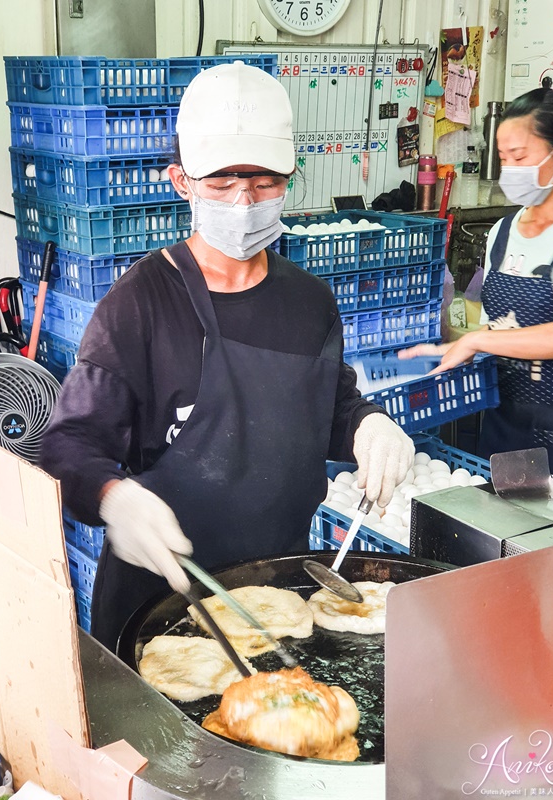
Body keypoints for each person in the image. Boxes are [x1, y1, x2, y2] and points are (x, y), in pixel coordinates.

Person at [40, 61, 414, 652]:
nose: (244, 201)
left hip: (279, 599)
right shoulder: (139, 304)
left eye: (264, 181)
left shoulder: (309, 302)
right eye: (221, 183)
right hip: (162, 607)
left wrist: (367, 426)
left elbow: (329, 405)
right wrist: (113, 497)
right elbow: (67, 446)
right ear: (181, 181)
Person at [401, 87, 553, 477]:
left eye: (520, 157)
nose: (509, 168)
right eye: (503, 157)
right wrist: (449, 349)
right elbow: (498, 325)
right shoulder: (503, 231)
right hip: (504, 427)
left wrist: (477, 341)